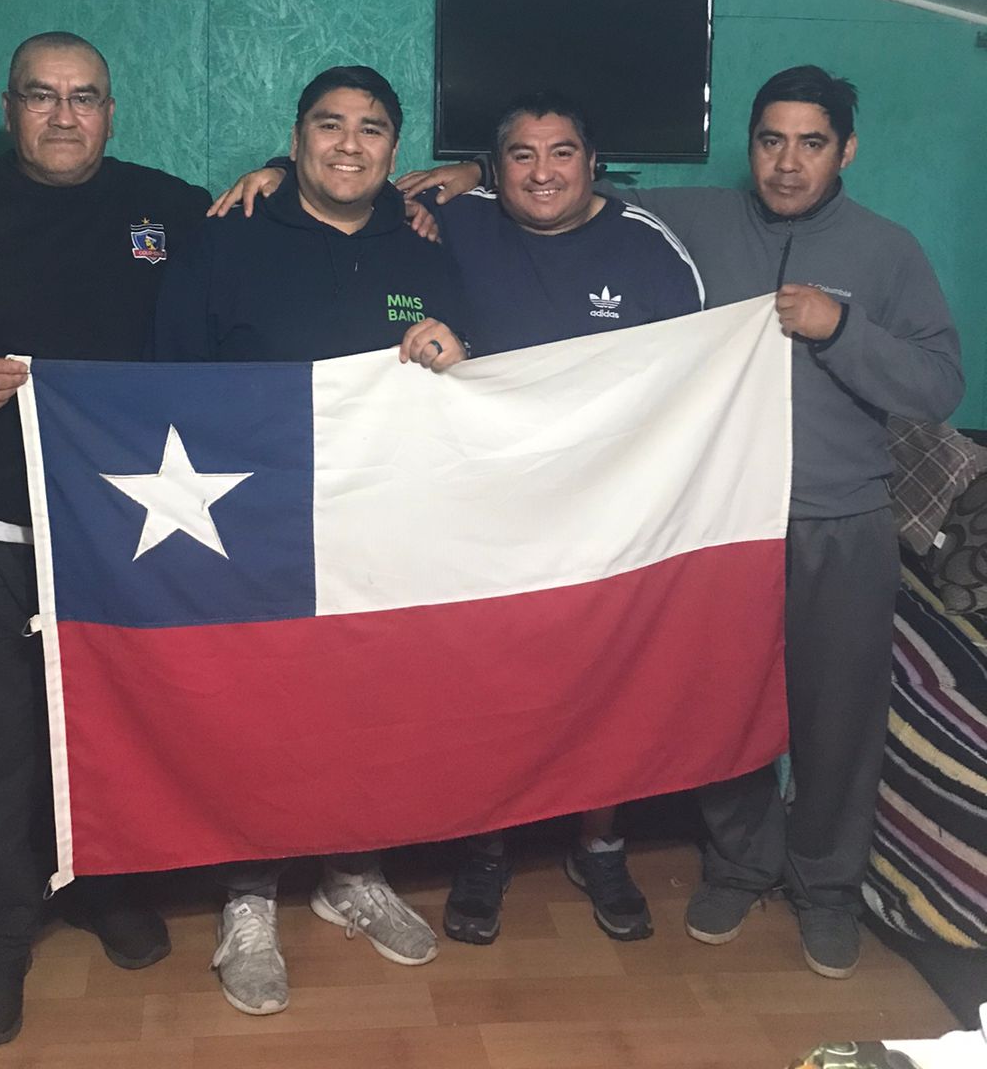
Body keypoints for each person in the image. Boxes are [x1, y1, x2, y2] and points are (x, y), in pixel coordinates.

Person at [389, 63, 965, 980]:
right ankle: (741, 866)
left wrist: (840, 328)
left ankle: (826, 892)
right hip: (715, 517)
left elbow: (940, 387)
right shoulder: (696, 220)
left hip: (838, 519)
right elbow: (577, 190)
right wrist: (471, 175)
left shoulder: (886, 251)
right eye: (770, 140)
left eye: (810, 143)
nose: (786, 162)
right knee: (719, 704)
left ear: (845, 150)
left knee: (837, 716)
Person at [208, 89, 704, 947]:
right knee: (491, 681)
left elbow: (698, 374)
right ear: (493, 170)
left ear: (594, 163)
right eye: (520, 156)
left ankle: (602, 842)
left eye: (562, 153)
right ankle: (487, 845)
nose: (542, 172)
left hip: (608, 502)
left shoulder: (648, 245)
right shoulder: (450, 220)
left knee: (605, 674)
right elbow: (347, 172)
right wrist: (278, 170)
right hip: (485, 505)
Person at [0, 32, 211, 1048]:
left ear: (115, 110)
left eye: (85, 97)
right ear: (10, 106)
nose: (64, 116)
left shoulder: (172, 210)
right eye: (41, 96)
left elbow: (279, 241)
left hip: (120, 536)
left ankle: (107, 891)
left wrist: (425, 187)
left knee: (112, 728)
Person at [154, 65, 467, 1017]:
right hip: (249, 523)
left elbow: (463, 394)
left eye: (371, 129)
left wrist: (457, 357)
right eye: (328, 125)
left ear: (394, 149)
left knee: (366, 699)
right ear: (293, 138)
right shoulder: (225, 240)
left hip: (379, 527)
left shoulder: (425, 251)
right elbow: (167, 380)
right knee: (257, 706)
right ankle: (249, 894)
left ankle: (351, 871)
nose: (348, 144)